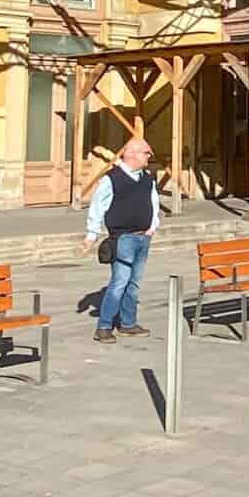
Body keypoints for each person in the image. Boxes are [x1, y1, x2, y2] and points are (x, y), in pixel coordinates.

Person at [85, 136, 160, 343]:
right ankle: (104, 326)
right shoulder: (112, 178)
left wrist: (153, 226)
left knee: (134, 283)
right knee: (119, 282)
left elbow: (154, 203)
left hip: (142, 237)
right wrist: (92, 234)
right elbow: (98, 205)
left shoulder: (147, 178)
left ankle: (128, 324)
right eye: (146, 153)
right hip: (123, 238)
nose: (149, 157)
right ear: (134, 155)